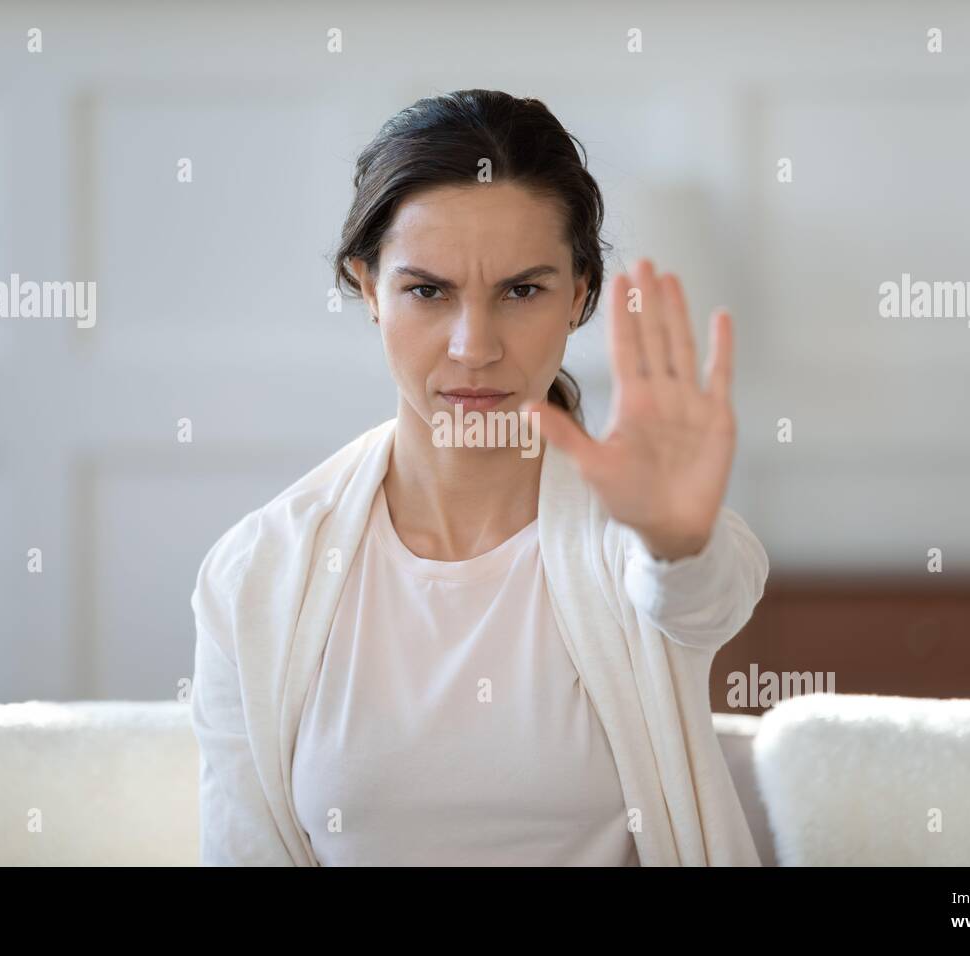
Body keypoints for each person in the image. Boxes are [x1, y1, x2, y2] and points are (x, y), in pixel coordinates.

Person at [189, 89, 769, 866]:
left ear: (581, 295)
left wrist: (674, 542)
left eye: (522, 290)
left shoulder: (635, 543)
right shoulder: (256, 573)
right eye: (427, 291)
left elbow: (701, 597)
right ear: (367, 288)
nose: (473, 346)